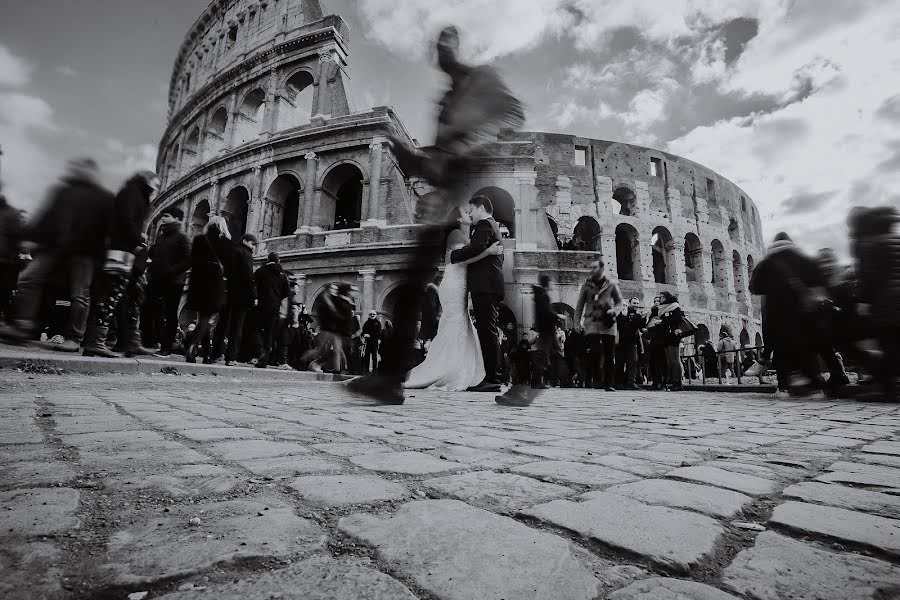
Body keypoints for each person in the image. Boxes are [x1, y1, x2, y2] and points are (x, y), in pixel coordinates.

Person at [348, 25, 523, 405]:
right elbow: (441, 155)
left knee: (415, 281)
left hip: (454, 192)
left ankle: (391, 378)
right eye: (436, 44)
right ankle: (391, 377)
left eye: (446, 42)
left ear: (457, 47)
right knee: (413, 282)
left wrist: (471, 143)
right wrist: (408, 155)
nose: (440, 50)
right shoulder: (446, 95)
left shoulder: (482, 78)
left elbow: (511, 113)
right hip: (441, 193)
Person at [0, 158, 114, 351]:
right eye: (74, 167)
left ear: (91, 171)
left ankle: (74, 338)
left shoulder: (104, 197)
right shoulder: (63, 191)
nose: (75, 170)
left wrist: (102, 257)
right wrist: (30, 236)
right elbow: (47, 216)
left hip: (83, 251)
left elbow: (108, 230)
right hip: (53, 246)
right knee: (27, 279)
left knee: (79, 295)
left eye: (80, 167)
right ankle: (23, 324)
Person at [404, 205, 503, 391]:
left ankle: (461, 367)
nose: (469, 213)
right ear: (458, 219)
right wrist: (487, 253)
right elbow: (456, 259)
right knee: (456, 322)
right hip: (454, 284)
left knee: (460, 322)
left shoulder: (465, 235)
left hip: (461, 284)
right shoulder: (456, 234)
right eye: (466, 212)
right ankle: (450, 368)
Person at [83, 171, 159, 357]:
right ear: (147, 181)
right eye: (156, 183)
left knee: (131, 297)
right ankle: (96, 342)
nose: (157, 187)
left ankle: (130, 341)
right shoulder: (132, 192)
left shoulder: (136, 194)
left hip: (127, 253)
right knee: (111, 296)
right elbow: (126, 220)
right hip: (121, 252)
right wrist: (139, 240)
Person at [749, 232, 828, 399]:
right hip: (804, 314)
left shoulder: (766, 264)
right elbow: (820, 283)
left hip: (778, 314)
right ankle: (815, 388)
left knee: (782, 350)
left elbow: (754, 287)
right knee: (807, 349)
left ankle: (783, 388)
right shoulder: (806, 260)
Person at [448, 196, 506, 393]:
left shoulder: (484, 224)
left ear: (481, 208)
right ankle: (491, 377)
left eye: (471, 209)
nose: (470, 213)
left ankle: (493, 379)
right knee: (487, 331)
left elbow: (475, 248)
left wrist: (454, 256)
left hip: (486, 286)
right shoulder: (491, 226)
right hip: (488, 285)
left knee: (488, 332)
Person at [850, 206, 900, 401]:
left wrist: (863, 301)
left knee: (888, 344)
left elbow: (869, 276)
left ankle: (887, 388)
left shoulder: (869, 244)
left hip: (886, 303)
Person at [183, 217, 231, 363]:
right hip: (214, 281)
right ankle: (192, 344)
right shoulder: (225, 242)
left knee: (202, 317)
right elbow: (229, 265)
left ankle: (207, 355)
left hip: (197, 280)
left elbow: (191, 260)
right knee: (207, 317)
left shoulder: (198, 239)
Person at [146, 207, 191, 356]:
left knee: (170, 314)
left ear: (177, 219)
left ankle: (167, 348)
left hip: (174, 281)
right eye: (162, 216)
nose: (163, 218)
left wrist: (171, 272)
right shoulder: (161, 236)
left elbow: (188, 260)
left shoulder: (182, 237)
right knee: (154, 311)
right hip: (158, 280)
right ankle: (152, 341)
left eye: (167, 216)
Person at [574, 259, 622, 391]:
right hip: (592, 322)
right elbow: (579, 305)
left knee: (608, 354)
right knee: (595, 351)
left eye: (594, 268)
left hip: (608, 322)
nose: (591, 270)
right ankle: (597, 379)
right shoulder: (586, 285)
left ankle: (608, 383)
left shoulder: (611, 284)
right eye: (590, 268)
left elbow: (619, 303)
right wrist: (576, 323)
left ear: (601, 269)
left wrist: (615, 311)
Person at [219, 234, 257, 366]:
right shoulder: (246, 254)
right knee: (237, 327)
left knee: (223, 324)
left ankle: (216, 354)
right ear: (245, 241)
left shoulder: (232, 251)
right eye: (253, 244)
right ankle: (231, 357)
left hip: (227, 292)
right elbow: (248, 277)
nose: (253, 247)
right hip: (241, 296)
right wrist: (253, 296)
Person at [253, 251, 290, 368]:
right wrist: (277, 298)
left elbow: (253, 284)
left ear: (268, 260)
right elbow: (287, 292)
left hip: (261, 305)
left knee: (256, 329)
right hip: (274, 307)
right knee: (269, 333)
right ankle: (264, 360)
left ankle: (259, 351)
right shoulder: (282, 275)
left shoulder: (260, 271)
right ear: (279, 261)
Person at [0, 187, 23, 323]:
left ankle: (9, 321)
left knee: (4, 294)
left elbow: (17, 242)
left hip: (6, 262)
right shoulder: (12, 213)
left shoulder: (11, 213)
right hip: (8, 261)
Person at [656, 292, 685, 391]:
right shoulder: (664, 308)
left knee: (674, 360)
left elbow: (678, 318)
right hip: (666, 336)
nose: (660, 299)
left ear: (667, 297)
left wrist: (663, 322)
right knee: (669, 360)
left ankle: (677, 383)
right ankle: (672, 381)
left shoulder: (675, 307)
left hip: (673, 336)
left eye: (662, 297)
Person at [616, 297, 647, 390]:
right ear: (629, 303)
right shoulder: (622, 314)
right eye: (634, 303)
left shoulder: (637, 315)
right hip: (621, 342)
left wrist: (644, 319)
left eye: (637, 303)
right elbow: (620, 326)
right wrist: (624, 316)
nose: (636, 305)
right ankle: (618, 383)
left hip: (632, 342)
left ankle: (631, 382)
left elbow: (640, 328)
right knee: (620, 363)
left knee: (632, 362)